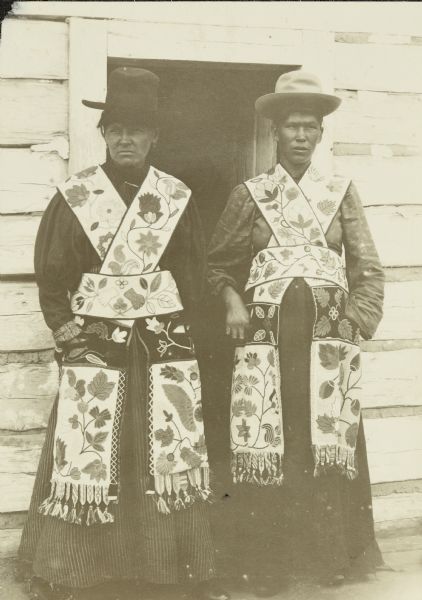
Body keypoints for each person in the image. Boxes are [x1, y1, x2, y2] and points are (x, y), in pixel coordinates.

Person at [18, 67, 229, 600]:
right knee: (87, 450)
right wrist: (69, 335)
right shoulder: (77, 195)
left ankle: (171, 569)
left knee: (164, 451)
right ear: (104, 134)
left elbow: (193, 274)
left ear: (155, 136)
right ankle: (73, 570)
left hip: (162, 347)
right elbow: (53, 277)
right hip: (95, 348)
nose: (125, 139)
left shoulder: (175, 197)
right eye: (116, 129)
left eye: (137, 129)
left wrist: (184, 335)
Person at [207, 70, 385, 596]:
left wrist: (357, 320)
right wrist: (233, 300)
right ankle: (268, 564)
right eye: (292, 128)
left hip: (328, 344)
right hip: (268, 342)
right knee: (271, 445)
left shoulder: (339, 193)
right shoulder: (250, 194)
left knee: (321, 442)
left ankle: (329, 557)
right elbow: (219, 263)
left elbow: (367, 267)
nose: (301, 136)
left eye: (310, 127)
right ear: (275, 134)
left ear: (321, 135)